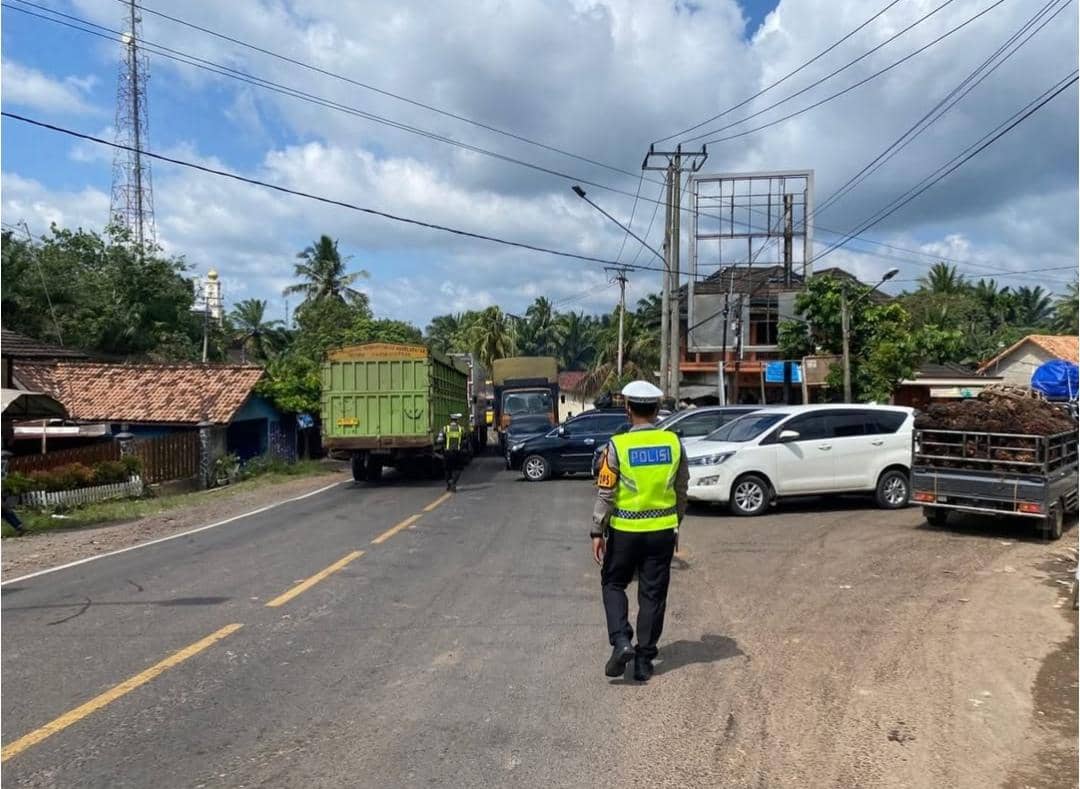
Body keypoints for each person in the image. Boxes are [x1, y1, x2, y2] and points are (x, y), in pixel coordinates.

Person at [591, 380, 689, 682]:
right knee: (653, 594)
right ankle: (644, 660)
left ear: (627, 409)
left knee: (613, 584)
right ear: (658, 409)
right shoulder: (673, 443)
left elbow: (606, 492)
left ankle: (621, 641)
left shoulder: (617, 446)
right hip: (661, 532)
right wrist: (675, 523)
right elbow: (682, 489)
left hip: (624, 531)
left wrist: (597, 531)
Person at [436, 413, 465, 492]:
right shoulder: (461, 429)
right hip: (457, 452)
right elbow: (464, 439)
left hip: (447, 452)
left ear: (451, 420)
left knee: (447, 469)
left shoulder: (445, 429)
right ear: (457, 420)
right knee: (458, 469)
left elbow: (439, 440)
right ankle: (453, 483)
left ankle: (449, 483)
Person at [1, 447, 25, 535]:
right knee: (4, 511)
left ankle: (19, 526)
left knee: (4, 510)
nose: (6, 461)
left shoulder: (3, 469)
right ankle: (18, 526)